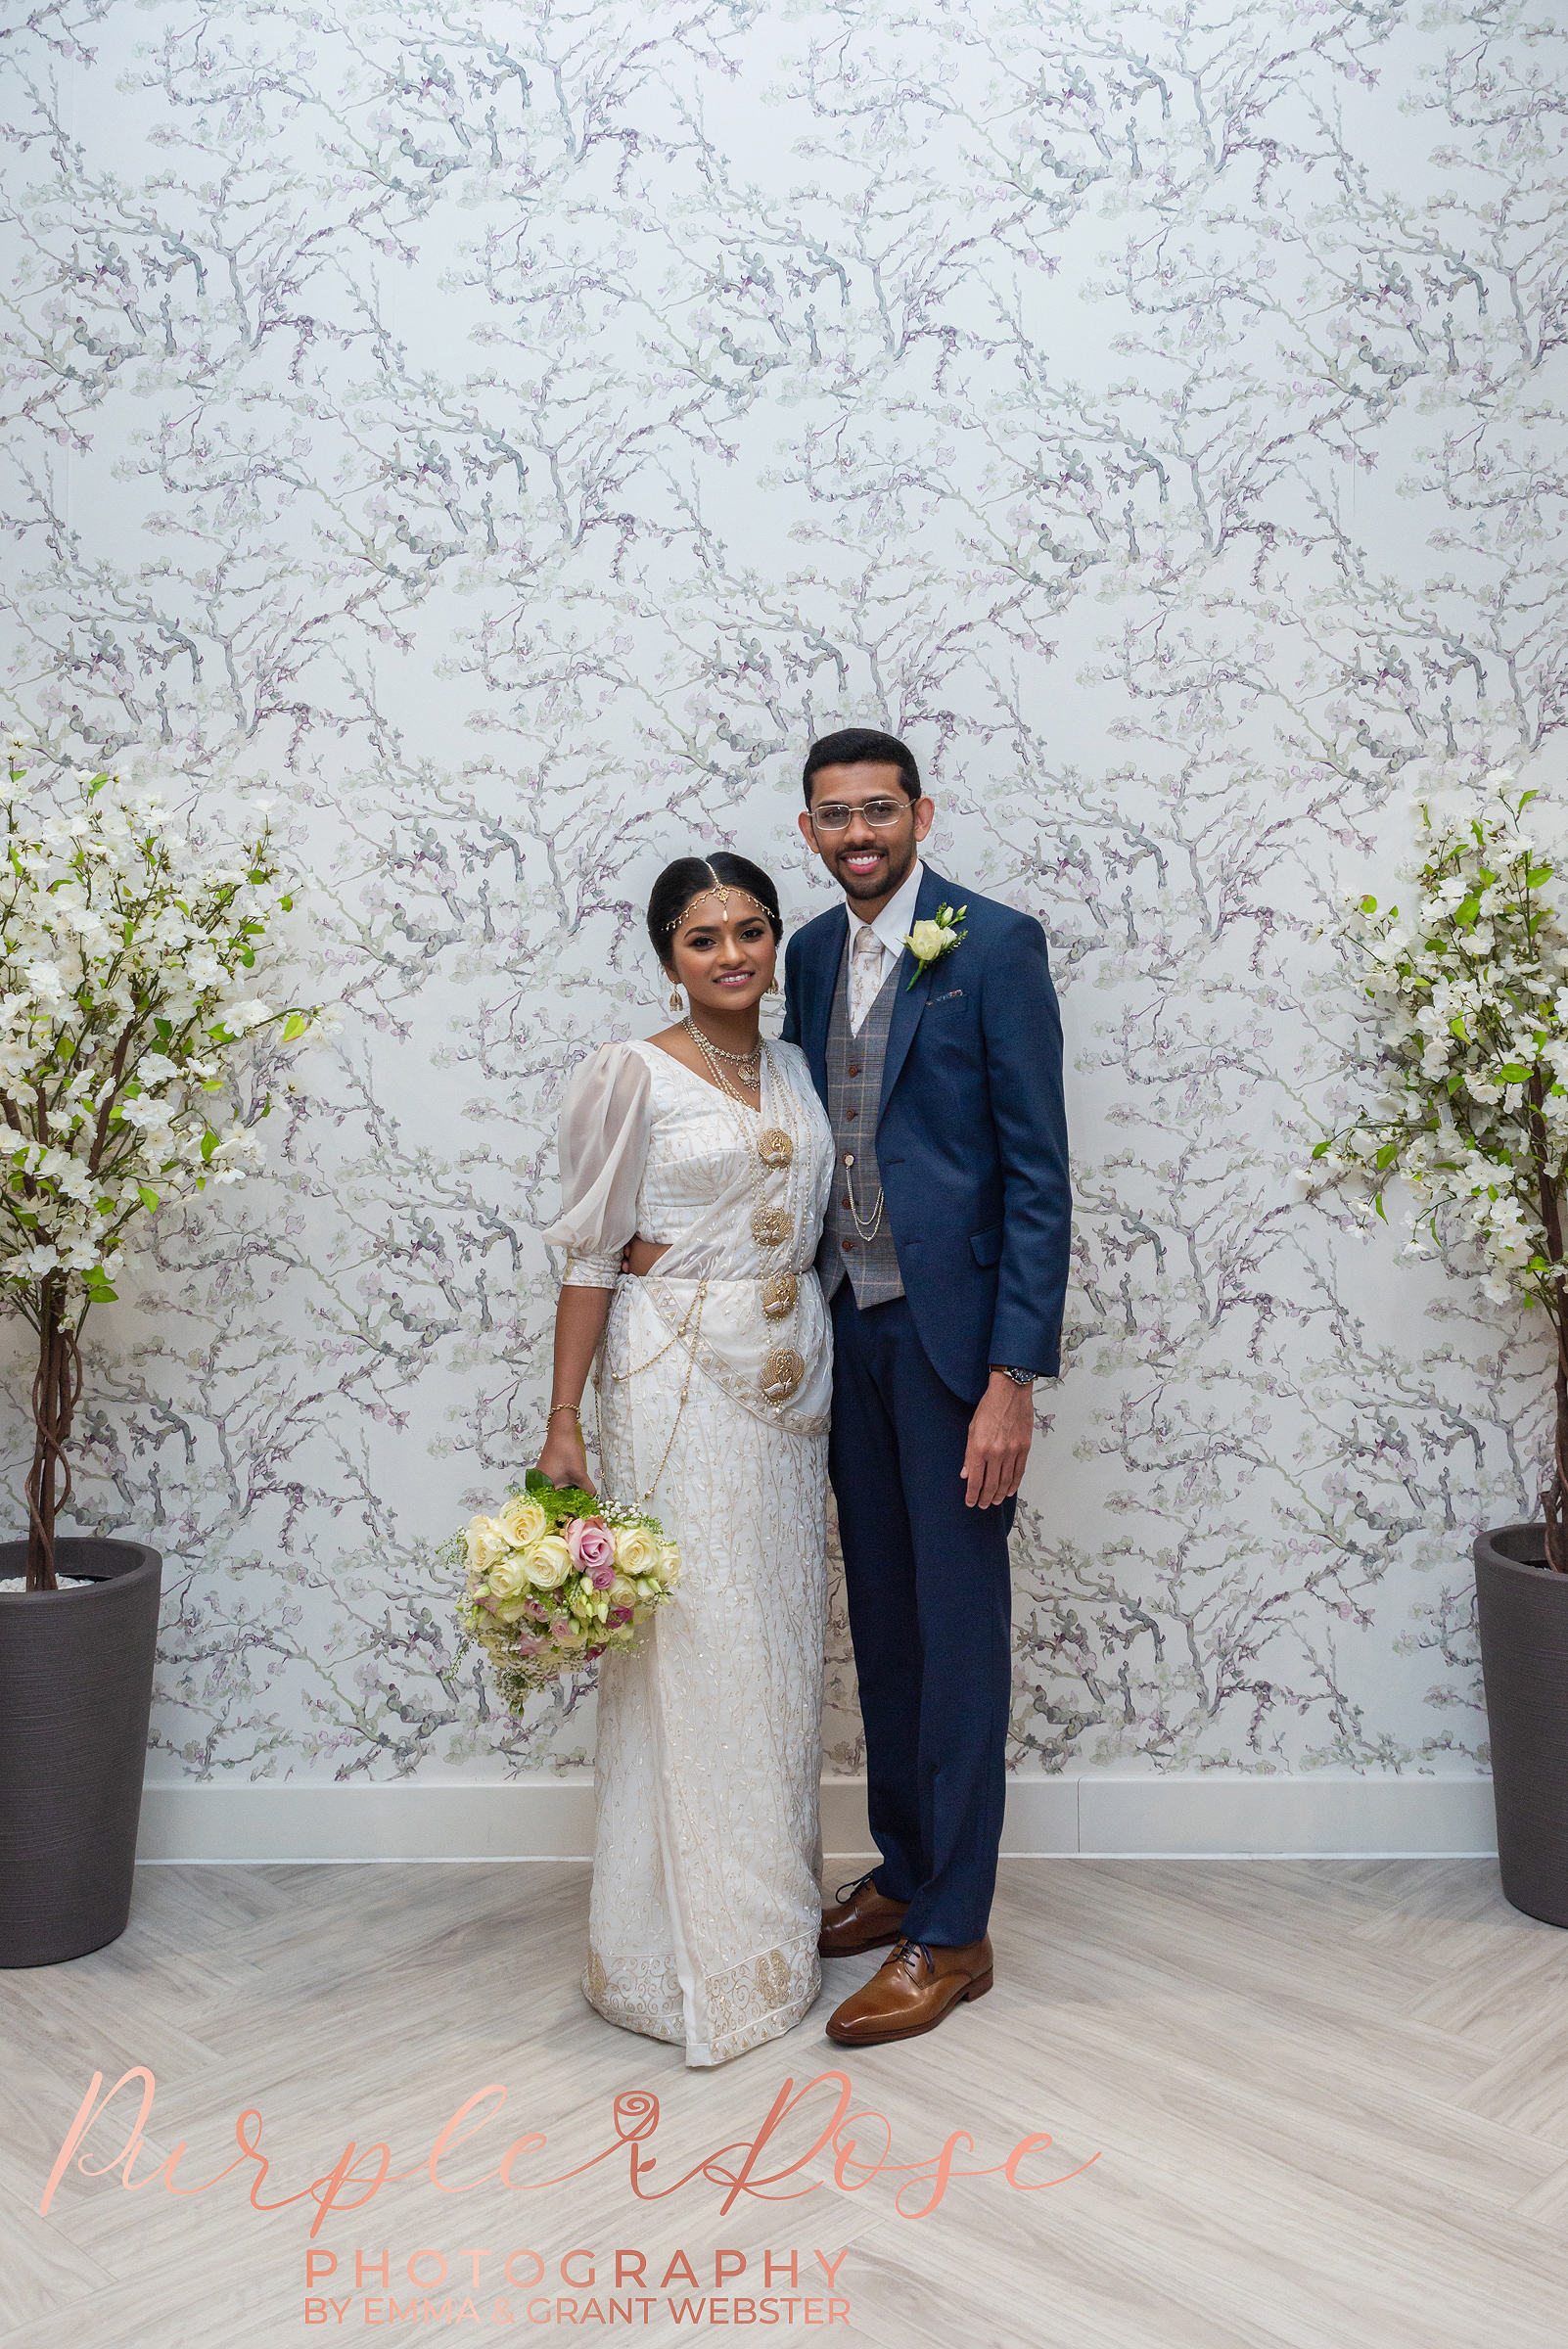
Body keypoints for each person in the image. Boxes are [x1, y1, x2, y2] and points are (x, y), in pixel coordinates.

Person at [781, 726, 1072, 2047]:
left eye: (878, 811)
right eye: (835, 814)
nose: (859, 833)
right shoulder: (801, 954)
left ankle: (954, 1933)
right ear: (808, 828)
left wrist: (1011, 1375)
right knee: (885, 1627)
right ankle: (902, 1874)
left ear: (918, 813)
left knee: (955, 1640)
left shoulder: (991, 944)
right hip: (847, 1339)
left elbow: (1037, 1178)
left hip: (956, 1355)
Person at [535, 852, 835, 2067]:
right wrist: (563, 1419)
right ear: (669, 953)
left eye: (753, 931)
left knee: (774, 1648)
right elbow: (591, 1254)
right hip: (671, 1383)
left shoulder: (803, 1069)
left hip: (790, 1385)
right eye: (705, 938)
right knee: (690, 1646)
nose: (733, 956)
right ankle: (675, 1958)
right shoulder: (630, 1075)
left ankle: (770, 1929)